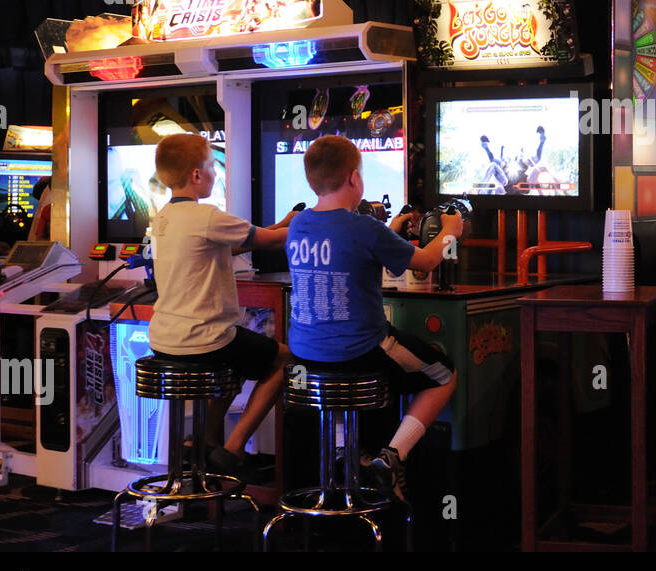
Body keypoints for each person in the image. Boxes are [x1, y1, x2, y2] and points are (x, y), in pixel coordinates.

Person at [286, 135, 463, 502]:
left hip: (304, 357)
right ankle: (391, 456)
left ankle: (345, 453)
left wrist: (391, 230)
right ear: (354, 178)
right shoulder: (364, 229)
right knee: (443, 374)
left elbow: (349, 246)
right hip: (361, 350)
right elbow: (428, 261)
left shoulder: (299, 224)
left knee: (331, 387)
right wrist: (449, 232)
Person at [146, 133, 295, 479]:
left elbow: (236, 244)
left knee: (241, 355)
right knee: (285, 359)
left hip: (165, 341)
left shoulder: (163, 219)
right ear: (197, 175)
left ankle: (202, 440)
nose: (216, 173)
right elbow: (269, 241)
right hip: (204, 339)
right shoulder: (207, 216)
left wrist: (284, 223)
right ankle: (233, 447)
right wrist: (314, 219)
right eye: (213, 166)